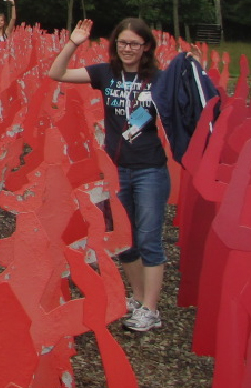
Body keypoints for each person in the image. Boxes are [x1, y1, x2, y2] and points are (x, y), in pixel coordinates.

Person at [47, 18, 169, 332]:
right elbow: (56, 73)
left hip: (150, 169)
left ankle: (151, 310)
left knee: (149, 240)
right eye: (123, 43)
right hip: (116, 170)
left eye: (134, 44)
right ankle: (138, 299)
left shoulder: (158, 79)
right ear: (116, 45)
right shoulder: (106, 73)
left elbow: (181, 112)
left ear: (146, 47)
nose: (128, 49)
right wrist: (73, 43)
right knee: (125, 239)